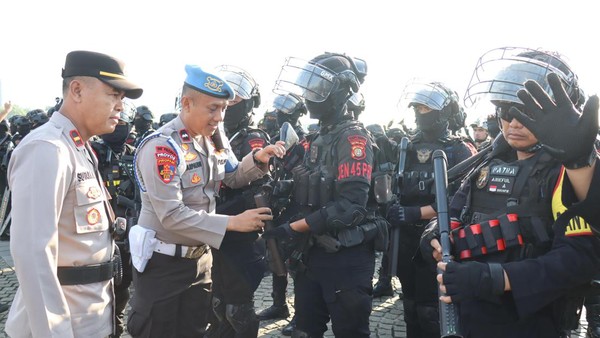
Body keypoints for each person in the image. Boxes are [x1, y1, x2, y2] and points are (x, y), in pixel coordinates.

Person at [423, 46, 600, 338]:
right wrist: (435, 237)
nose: (514, 123)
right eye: (506, 110)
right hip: (467, 313)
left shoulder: (568, 172)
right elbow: (454, 213)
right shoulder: (490, 161)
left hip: (530, 321)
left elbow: (578, 261)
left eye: (527, 112)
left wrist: (496, 278)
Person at [126, 64, 285, 337]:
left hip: (200, 263)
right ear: (187, 103)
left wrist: (257, 160)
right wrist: (233, 222)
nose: (220, 117)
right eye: (213, 108)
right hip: (163, 266)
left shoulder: (212, 139)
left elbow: (232, 175)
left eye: (224, 108)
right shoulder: (164, 146)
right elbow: (172, 215)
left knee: (195, 330)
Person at [5, 50, 143, 337]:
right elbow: (33, 255)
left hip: (89, 319)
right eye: (113, 94)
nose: (120, 106)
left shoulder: (78, 146)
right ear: (77, 90)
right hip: (63, 326)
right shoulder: (47, 148)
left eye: (122, 98)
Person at [266, 51, 379, 337]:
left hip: (345, 256)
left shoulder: (354, 138)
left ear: (340, 92)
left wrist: (291, 228)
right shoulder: (317, 136)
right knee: (305, 330)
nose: (309, 95)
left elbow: (351, 205)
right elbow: (310, 183)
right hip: (312, 253)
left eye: (318, 89)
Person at [383, 79, 476, 338]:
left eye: (425, 109)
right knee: (410, 302)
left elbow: (462, 202)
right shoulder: (406, 146)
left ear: (443, 112)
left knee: (430, 308)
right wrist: (390, 205)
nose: (419, 114)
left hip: (436, 239)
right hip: (405, 237)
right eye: (416, 109)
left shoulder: (459, 149)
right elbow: (397, 185)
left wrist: (416, 213)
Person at [207, 64, 270, 338]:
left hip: (242, 237)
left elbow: (258, 191)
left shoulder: (253, 139)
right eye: (226, 98)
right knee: (217, 305)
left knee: (237, 311)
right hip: (217, 232)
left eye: (237, 100)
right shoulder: (215, 136)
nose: (230, 104)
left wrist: (219, 213)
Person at [256, 92, 309, 336]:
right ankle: (279, 304)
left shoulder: (306, 142)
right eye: (278, 111)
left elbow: (305, 176)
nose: (278, 115)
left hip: (298, 205)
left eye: (284, 112)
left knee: (296, 261)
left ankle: (301, 316)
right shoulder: (277, 139)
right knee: (275, 253)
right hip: (277, 202)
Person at [90, 99, 138, 338]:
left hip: (129, 235)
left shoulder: (136, 154)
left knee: (123, 288)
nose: (119, 126)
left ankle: (116, 327)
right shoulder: (91, 152)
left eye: (124, 123)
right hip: (97, 235)